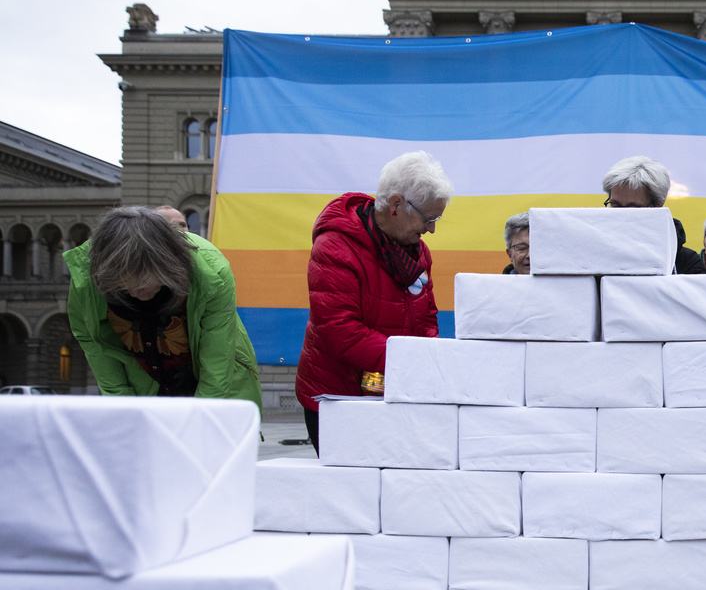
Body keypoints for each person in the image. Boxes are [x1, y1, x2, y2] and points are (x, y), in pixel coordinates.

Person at [295, 151, 451, 453]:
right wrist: (412, 361)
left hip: (393, 391)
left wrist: (427, 360)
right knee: (351, 491)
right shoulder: (336, 246)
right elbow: (340, 330)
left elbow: (427, 318)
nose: (431, 229)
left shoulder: (417, 251)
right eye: (428, 218)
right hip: (339, 397)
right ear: (395, 205)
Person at [63, 206, 261, 410]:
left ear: (166, 266)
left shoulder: (212, 270)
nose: (134, 295)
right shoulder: (85, 276)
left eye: (143, 284)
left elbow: (217, 356)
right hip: (145, 385)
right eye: (123, 287)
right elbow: (93, 342)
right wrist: (123, 407)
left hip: (214, 383)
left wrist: (202, 417)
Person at [602, 156, 706, 275]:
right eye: (615, 205)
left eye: (633, 208)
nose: (621, 215)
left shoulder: (686, 263)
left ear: (658, 206)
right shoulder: (593, 255)